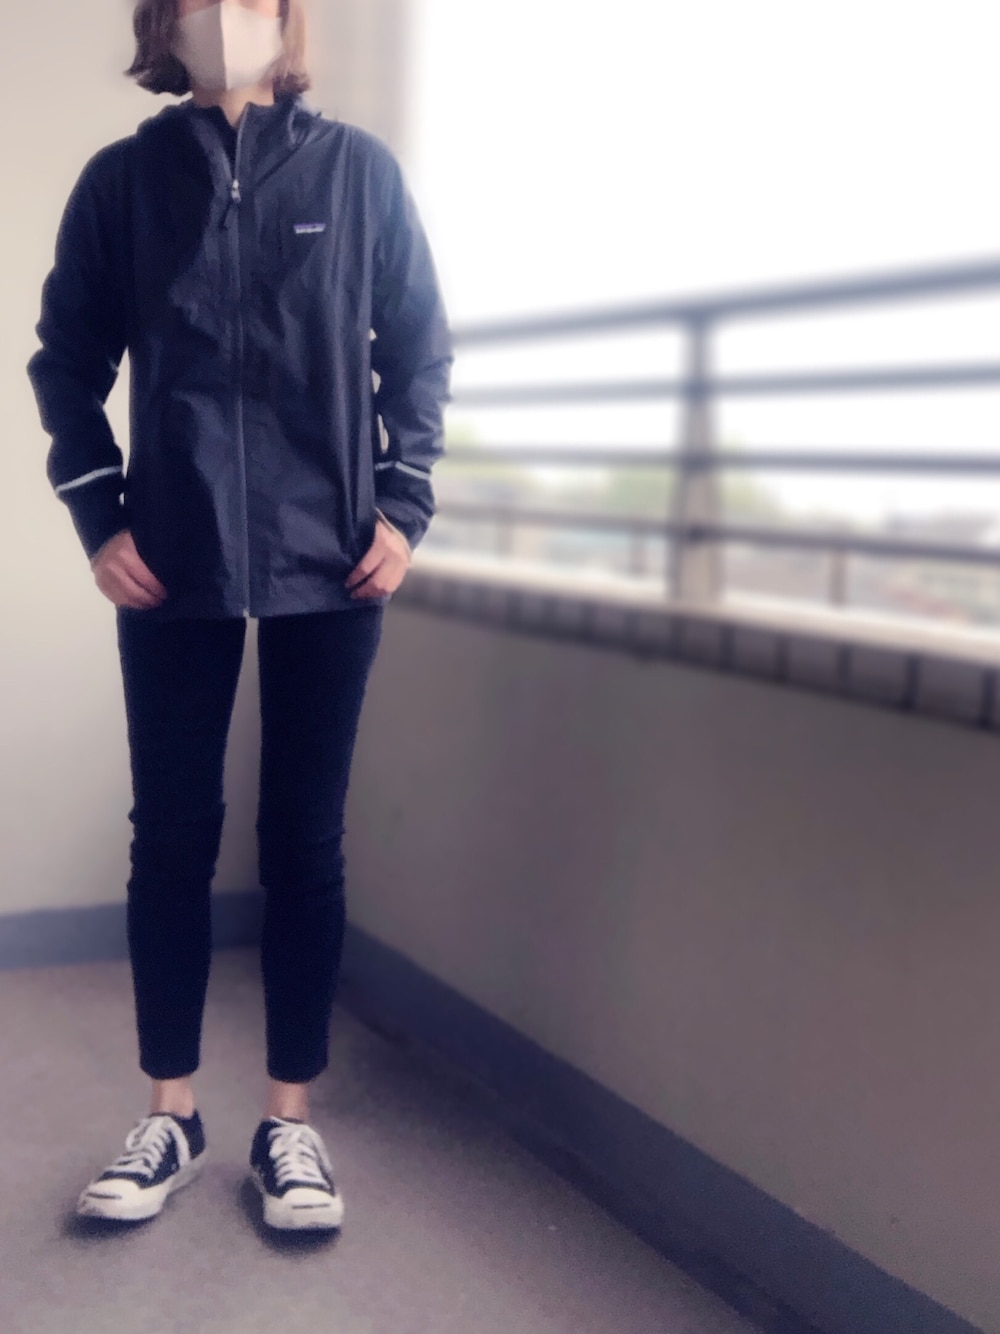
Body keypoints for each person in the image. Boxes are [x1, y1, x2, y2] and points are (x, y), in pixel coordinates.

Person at [27, 0, 451, 1232]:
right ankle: (170, 1111)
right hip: (174, 556)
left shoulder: (358, 174)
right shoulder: (121, 184)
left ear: (287, 18)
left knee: (304, 837)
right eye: (197, 1)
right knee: (170, 833)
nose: (225, 19)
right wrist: (100, 516)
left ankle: (288, 1121)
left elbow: (418, 349)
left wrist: (403, 504)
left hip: (335, 558)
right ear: (163, 26)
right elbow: (65, 361)